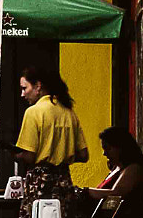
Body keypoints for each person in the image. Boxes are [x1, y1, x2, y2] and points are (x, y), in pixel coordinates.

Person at [13, 63, 88, 209]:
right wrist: (63, 153)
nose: (22, 94)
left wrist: (16, 154)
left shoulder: (33, 112)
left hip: (40, 185)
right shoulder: (69, 113)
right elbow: (84, 155)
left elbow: (30, 156)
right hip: (64, 184)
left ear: (38, 86)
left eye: (24, 88)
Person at [78, 126, 143, 218]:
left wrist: (86, 191)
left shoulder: (134, 168)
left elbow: (117, 193)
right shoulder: (115, 169)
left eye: (108, 148)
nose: (104, 153)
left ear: (121, 147)